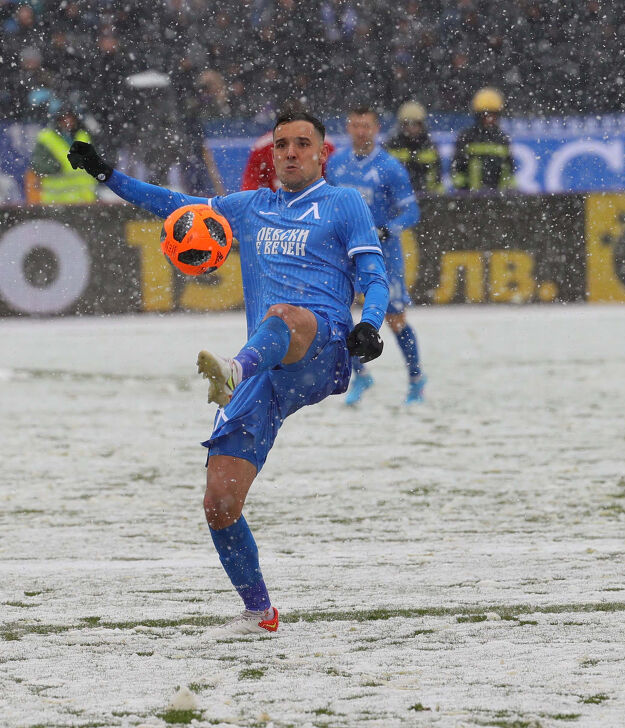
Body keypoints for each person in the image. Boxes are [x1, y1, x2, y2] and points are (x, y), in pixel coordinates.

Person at [66, 108, 389, 636]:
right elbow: (175, 206)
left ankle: (235, 369)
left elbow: (375, 275)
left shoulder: (343, 202)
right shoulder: (250, 208)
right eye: (281, 144)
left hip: (321, 345)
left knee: (283, 315)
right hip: (266, 369)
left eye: (301, 143)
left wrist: (370, 325)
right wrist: (106, 175)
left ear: (321, 152)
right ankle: (259, 613)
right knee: (219, 503)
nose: (289, 153)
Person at [326, 105, 426, 405]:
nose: (360, 131)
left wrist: (388, 229)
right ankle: (361, 376)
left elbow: (412, 211)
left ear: (376, 129)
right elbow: (327, 203)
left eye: (366, 126)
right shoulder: (336, 163)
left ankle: (416, 379)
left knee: (394, 319)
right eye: (355, 125)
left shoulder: (390, 167)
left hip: (382, 256)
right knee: (339, 315)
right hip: (345, 254)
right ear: (348, 128)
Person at [26, 103, 98, 204]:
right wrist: (56, 167)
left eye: (70, 118)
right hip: (56, 200)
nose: (68, 122)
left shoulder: (84, 136)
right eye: (64, 119)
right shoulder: (46, 137)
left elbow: (95, 163)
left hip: (85, 199)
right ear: (58, 120)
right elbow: (37, 164)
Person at [451, 87, 516, 192]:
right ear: (478, 116)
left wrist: (507, 192)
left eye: (493, 115)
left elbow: (509, 170)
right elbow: (458, 168)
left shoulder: (502, 139)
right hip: (471, 198)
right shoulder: (466, 138)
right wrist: (463, 192)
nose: (490, 119)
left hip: (498, 199)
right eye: (486, 115)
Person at [241, 129, 335, 191]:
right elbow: (250, 185)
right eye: (282, 146)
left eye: (303, 145)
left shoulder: (323, 144)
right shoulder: (263, 147)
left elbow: (334, 182)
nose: (291, 154)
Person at [384, 100, 444, 195]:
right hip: (396, 198)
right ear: (401, 124)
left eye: (416, 123)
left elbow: (437, 177)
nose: (411, 128)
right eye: (407, 123)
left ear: (422, 124)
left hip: (425, 198)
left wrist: (433, 195)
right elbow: (384, 175)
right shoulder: (392, 146)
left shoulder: (429, 147)